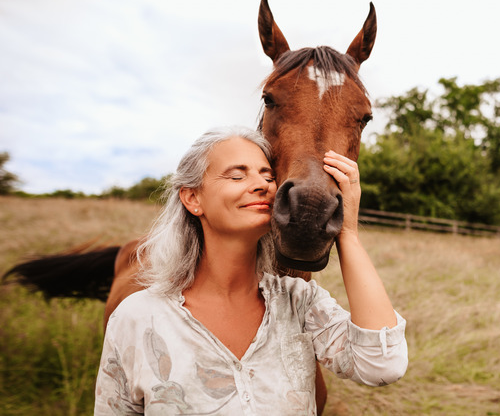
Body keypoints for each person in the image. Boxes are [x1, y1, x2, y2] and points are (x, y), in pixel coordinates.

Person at [94, 127, 407, 415]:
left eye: (268, 176)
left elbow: (383, 364)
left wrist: (348, 233)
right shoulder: (136, 317)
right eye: (236, 176)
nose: (262, 185)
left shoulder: (300, 303)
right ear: (192, 198)